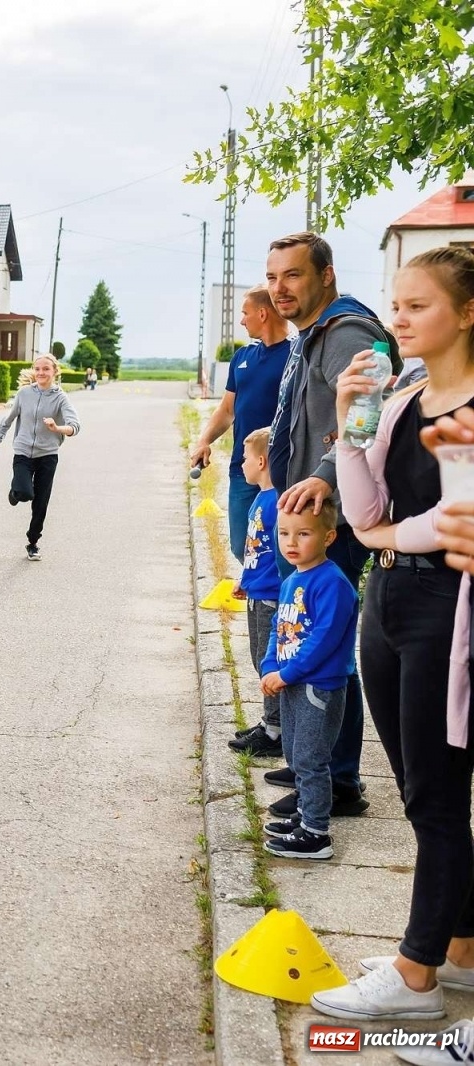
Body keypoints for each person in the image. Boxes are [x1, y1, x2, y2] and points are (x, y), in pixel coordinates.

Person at [309, 247, 474, 1025]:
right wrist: (348, 429)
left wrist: (394, 537)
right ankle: (464, 948)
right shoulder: (401, 393)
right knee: (414, 789)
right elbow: (365, 510)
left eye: (417, 306)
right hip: (392, 604)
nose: (397, 319)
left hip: (451, 612)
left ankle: (415, 974)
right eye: (395, 304)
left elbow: (450, 526)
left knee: (437, 799)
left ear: (467, 313)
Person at [261, 231, 396, 823]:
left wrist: (322, 472)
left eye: (292, 275)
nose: (279, 288)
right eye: (272, 277)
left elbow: (369, 406)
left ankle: (338, 781)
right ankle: (313, 760)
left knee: (327, 655)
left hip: (334, 518)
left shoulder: (347, 332)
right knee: (303, 642)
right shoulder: (312, 335)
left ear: (326, 276)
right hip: (309, 512)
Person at [257, 497, 358, 863]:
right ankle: (304, 815)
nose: (291, 543)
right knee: (296, 755)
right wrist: (271, 666)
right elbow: (278, 628)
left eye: (303, 534)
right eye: (284, 533)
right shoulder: (292, 580)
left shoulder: (331, 583)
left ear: (329, 537)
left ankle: (316, 833)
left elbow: (325, 639)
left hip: (317, 687)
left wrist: (288, 673)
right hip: (290, 682)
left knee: (312, 759)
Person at [188, 287, 292, 559]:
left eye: (245, 313)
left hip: (282, 471)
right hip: (243, 469)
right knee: (241, 547)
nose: (242, 321)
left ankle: (275, 601)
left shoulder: (296, 357)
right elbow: (226, 410)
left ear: (262, 313)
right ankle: (261, 598)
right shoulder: (242, 357)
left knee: (281, 551)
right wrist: (204, 441)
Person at [0, 353, 81, 561]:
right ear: (34, 370)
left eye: (46, 369)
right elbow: (9, 418)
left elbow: (75, 426)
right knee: (24, 493)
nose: (41, 373)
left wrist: (57, 427)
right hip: (22, 453)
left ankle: (33, 542)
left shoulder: (60, 398)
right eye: (38, 369)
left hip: (47, 456)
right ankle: (15, 493)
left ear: (55, 372)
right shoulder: (24, 394)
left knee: (41, 501)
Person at [228, 427, 285, 758]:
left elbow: (278, 554)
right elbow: (256, 550)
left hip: (270, 596)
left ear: (262, 461)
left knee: (268, 660)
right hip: (256, 591)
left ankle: (274, 731)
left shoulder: (276, 502)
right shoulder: (261, 500)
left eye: (245, 459)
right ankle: (269, 722)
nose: (242, 465)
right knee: (257, 656)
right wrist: (244, 578)